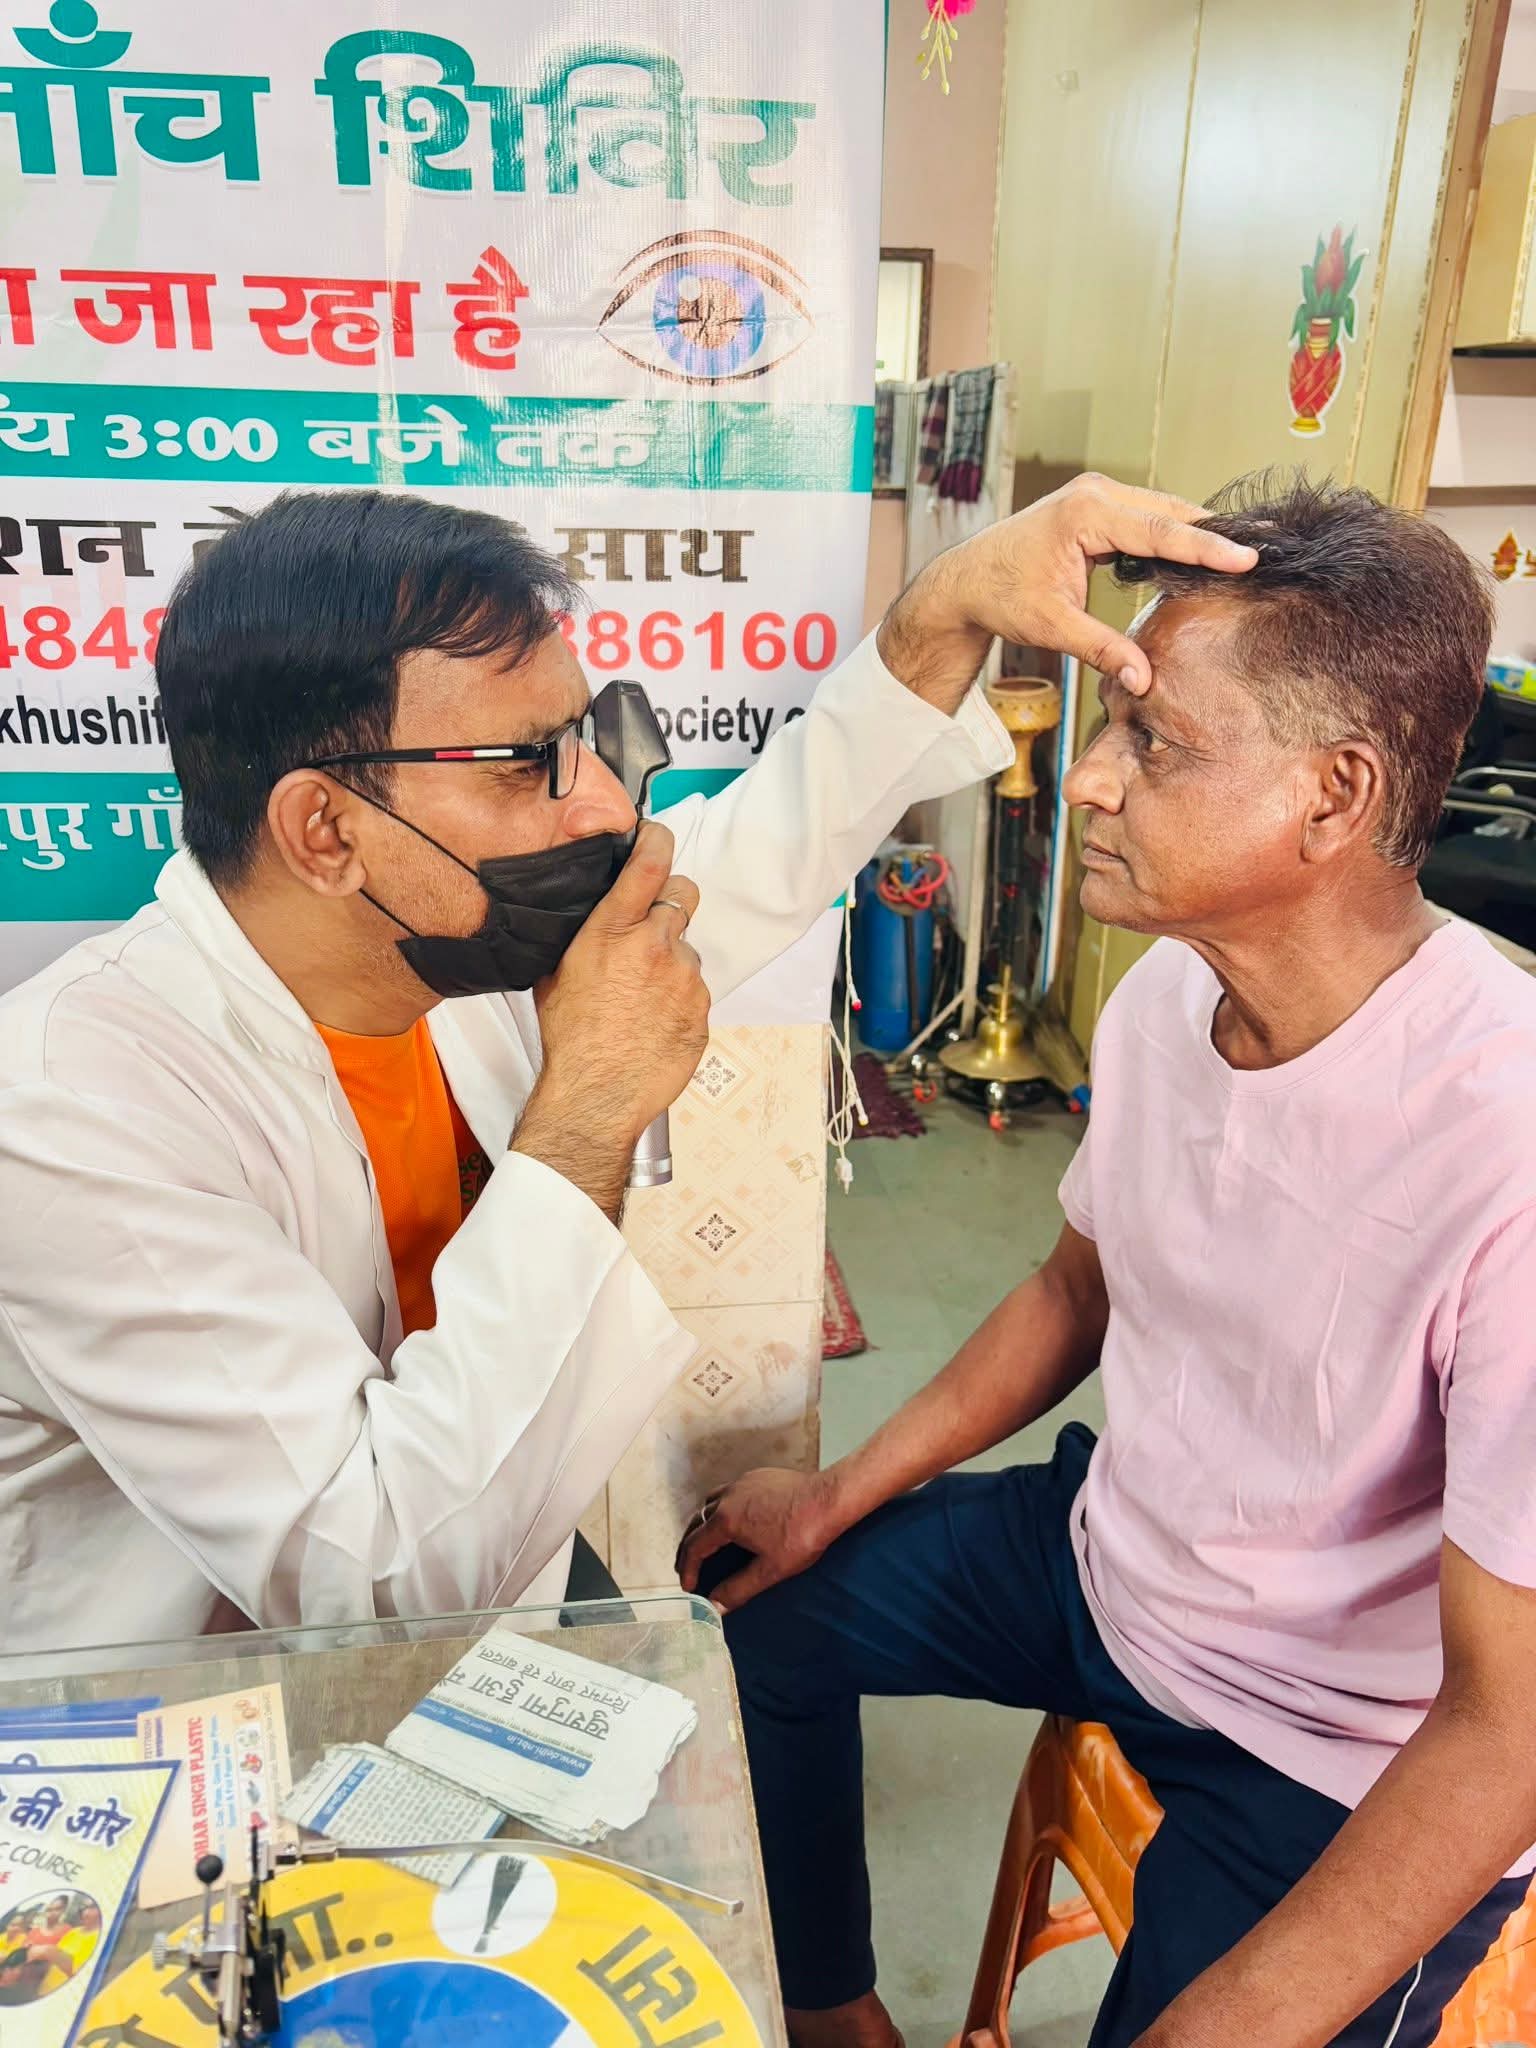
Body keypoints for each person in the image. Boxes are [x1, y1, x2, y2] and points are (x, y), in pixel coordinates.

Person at [0, 477, 1254, 1654]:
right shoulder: (76, 1108)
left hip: (498, 1559)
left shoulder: (453, 941)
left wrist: (942, 612)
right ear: (324, 830)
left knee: (739, 1672)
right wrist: (588, 1110)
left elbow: (769, 839)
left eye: (585, 735)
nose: (603, 805)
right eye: (523, 763)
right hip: (201, 1701)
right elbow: (376, 1580)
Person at [679, 473, 1536, 2048]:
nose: (1085, 780)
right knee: (753, 1613)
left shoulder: (1509, 1141)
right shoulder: (1165, 998)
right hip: (1117, 1572)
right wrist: (838, 1494)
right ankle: (835, 2015)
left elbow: (1511, 1727)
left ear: (1334, 797)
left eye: (1155, 742)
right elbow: (1076, 1291)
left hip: (1335, 1750)